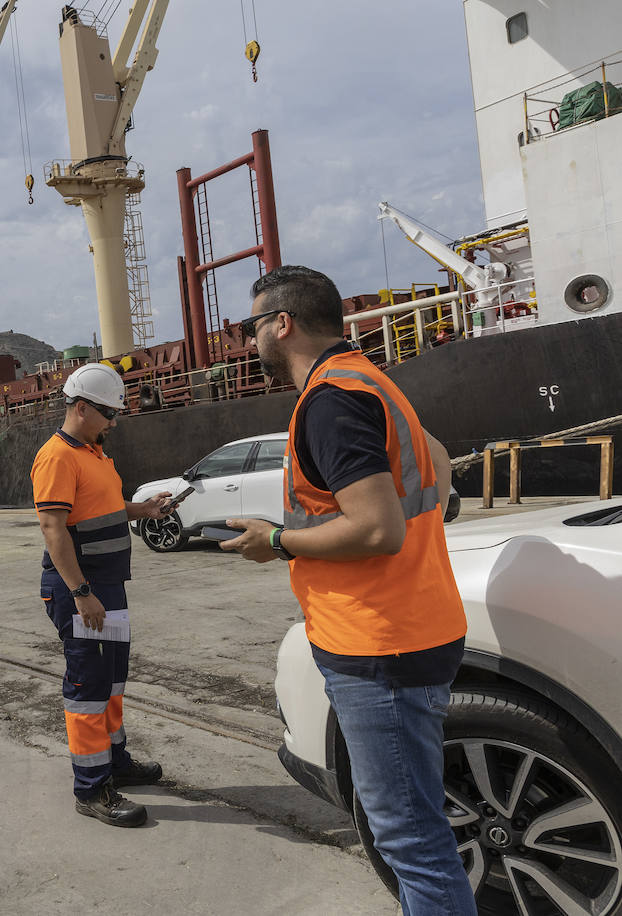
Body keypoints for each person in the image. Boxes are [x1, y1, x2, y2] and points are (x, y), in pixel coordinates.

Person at [223, 265, 475, 914]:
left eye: (253, 326)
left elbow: (377, 527)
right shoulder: (369, 380)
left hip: (377, 647)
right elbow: (438, 462)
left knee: (410, 839)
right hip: (419, 624)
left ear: (283, 324)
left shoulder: (330, 400)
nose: (250, 341)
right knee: (419, 822)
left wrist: (275, 541)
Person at [32, 362, 174, 827]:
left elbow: (107, 509)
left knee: (112, 683)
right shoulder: (57, 457)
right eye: (108, 413)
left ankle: (115, 763)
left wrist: (144, 509)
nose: (114, 422)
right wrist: (80, 592)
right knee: (88, 689)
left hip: (107, 589)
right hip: (83, 591)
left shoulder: (94, 454)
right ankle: (92, 790)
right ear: (79, 408)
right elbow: (54, 530)